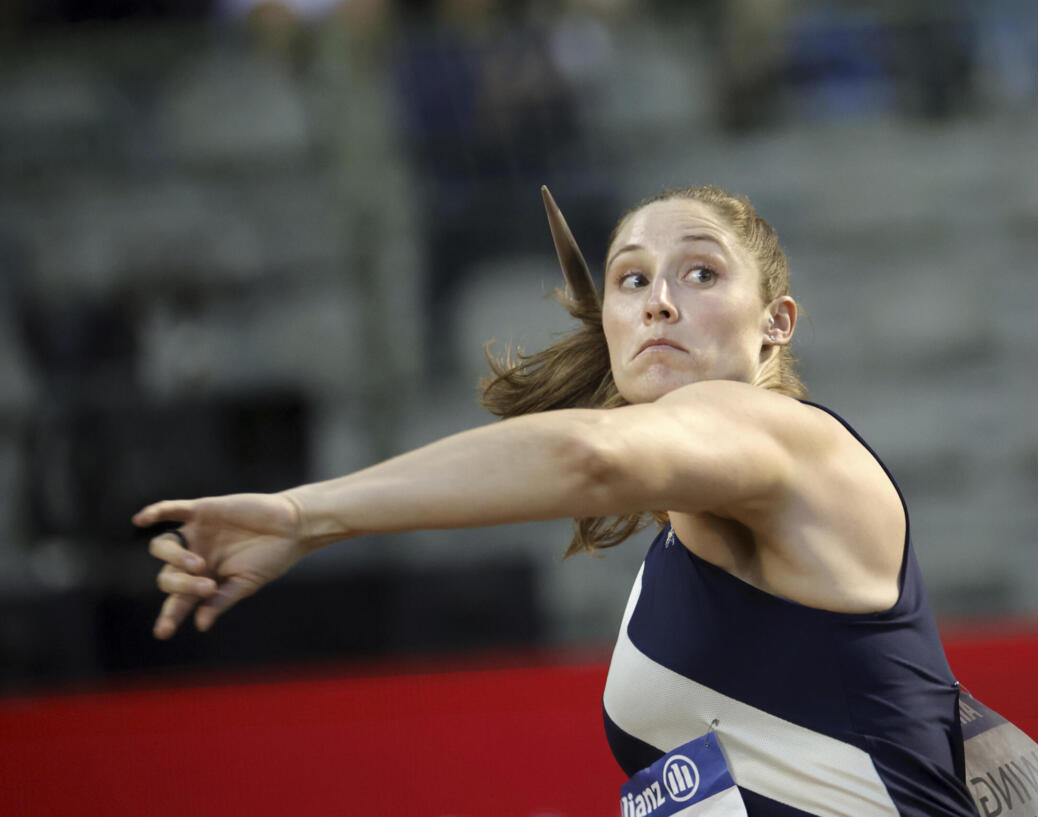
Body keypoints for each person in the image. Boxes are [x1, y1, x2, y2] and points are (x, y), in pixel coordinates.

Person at [137, 185, 986, 816]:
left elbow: (586, 455)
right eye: (631, 279)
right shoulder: (676, 547)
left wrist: (304, 515)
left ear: (777, 322)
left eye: (699, 271)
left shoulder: (792, 443)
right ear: (609, 322)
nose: (659, 299)